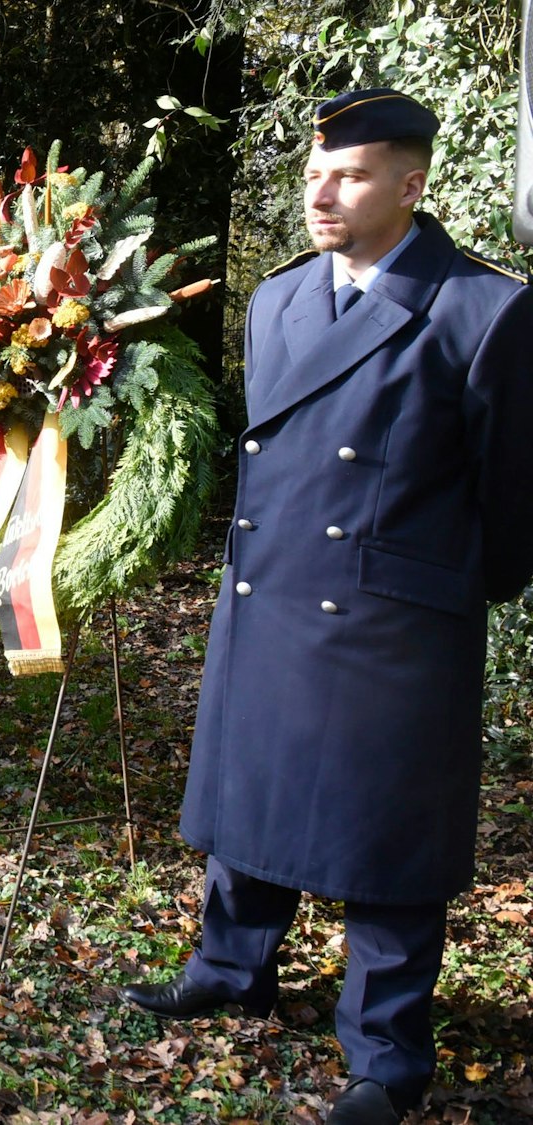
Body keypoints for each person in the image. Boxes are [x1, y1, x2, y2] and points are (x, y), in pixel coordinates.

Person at [121, 89, 533, 1125]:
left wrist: (437, 594)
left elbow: (512, 496)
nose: (321, 191)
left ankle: (386, 1051)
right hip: (270, 592)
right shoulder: (277, 299)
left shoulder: (481, 309)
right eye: (314, 172)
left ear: (409, 183)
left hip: (393, 614)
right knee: (251, 787)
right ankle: (231, 965)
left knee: (386, 831)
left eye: (348, 175)